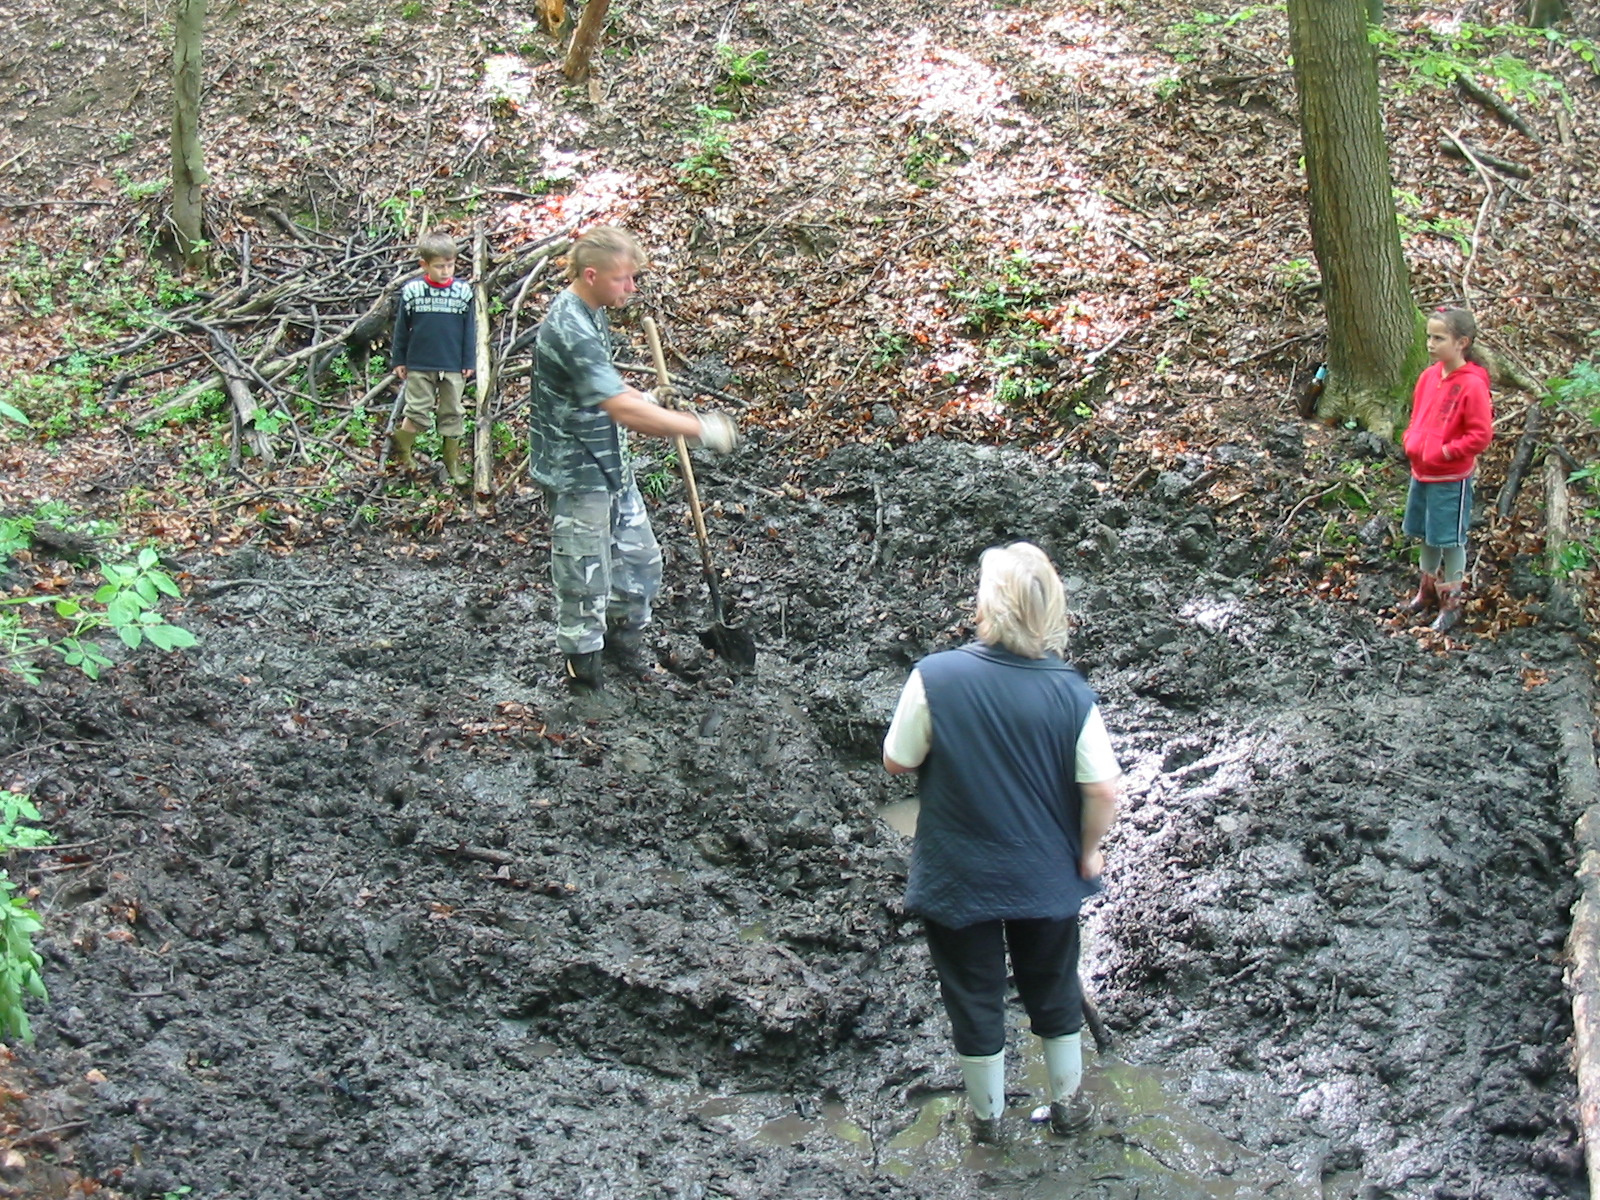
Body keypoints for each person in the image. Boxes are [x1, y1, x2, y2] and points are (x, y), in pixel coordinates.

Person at [882, 542, 1121, 1145]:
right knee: (1055, 987)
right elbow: (1102, 788)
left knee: (974, 995)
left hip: (959, 875)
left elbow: (897, 760)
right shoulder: (1071, 691)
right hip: (1046, 875)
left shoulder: (935, 676)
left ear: (985, 605)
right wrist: (1089, 852)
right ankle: (1068, 1109)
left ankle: (987, 1121)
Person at [527, 226, 739, 689]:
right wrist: (701, 428)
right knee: (585, 581)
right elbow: (621, 410)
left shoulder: (593, 312)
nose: (632, 288)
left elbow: (605, 387)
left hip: (611, 466)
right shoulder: (568, 325)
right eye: (624, 279)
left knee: (641, 563)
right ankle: (585, 677)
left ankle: (625, 647)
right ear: (591, 274)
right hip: (576, 472)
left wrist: (646, 395)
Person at [1401, 307, 1494, 633]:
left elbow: (1480, 435)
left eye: (1438, 338)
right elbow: (1418, 416)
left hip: (1450, 477)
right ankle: (1426, 590)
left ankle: (1451, 601)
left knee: (1450, 539)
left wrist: (1446, 451)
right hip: (1421, 471)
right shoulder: (1428, 377)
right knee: (1426, 533)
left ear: (1462, 342)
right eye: (1429, 336)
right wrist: (1411, 440)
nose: (1430, 343)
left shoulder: (1471, 386)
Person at [390, 229, 477, 486]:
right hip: (420, 363)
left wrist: (468, 362)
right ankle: (403, 451)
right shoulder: (413, 291)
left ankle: (452, 463)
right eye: (439, 267)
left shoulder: (462, 292)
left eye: (450, 265)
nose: (446, 271)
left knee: (453, 412)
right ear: (424, 265)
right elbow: (401, 329)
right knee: (417, 410)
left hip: (452, 364)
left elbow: (469, 329)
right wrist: (400, 360)